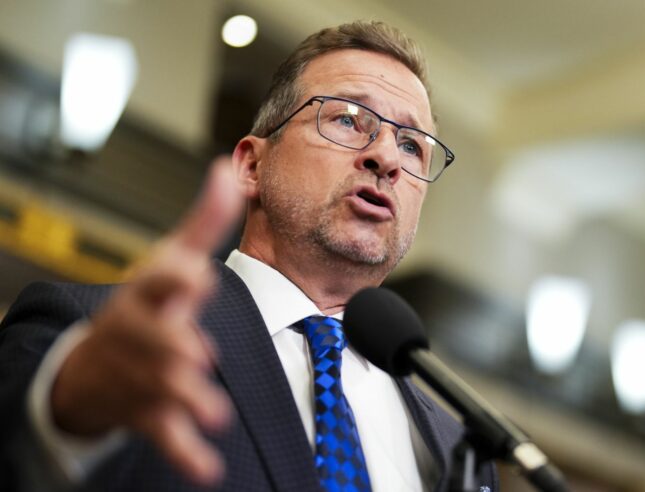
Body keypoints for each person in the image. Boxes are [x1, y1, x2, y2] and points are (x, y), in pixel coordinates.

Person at [0, 21, 497, 492]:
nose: (387, 158)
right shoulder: (89, 333)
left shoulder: (457, 445)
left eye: (412, 145)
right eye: (348, 118)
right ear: (252, 165)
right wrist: (65, 416)